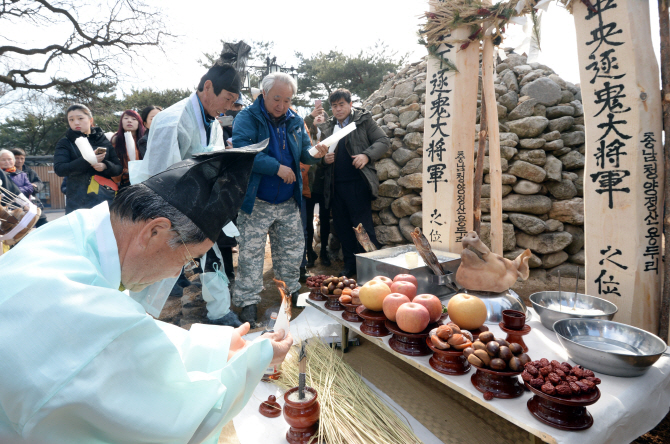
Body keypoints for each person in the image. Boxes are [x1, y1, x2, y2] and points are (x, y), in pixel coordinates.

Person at [0, 148, 293, 444]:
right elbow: (172, 420)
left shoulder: (76, 231)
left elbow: (130, 340)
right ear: (155, 231)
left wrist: (215, 347)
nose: (178, 272)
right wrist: (254, 360)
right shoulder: (78, 311)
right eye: (188, 259)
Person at [130, 61, 245, 326]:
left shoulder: (213, 122)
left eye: (233, 101)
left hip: (197, 202)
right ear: (208, 87)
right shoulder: (173, 120)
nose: (228, 107)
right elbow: (160, 174)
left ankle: (219, 312)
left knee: (210, 254)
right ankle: (133, 318)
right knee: (159, 263)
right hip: (166, 204)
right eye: (227, 98)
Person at [232, 72, 328, 327]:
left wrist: (316, 153)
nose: (282, 105)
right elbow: (243, 152)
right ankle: (248, 303)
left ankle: (291, 293)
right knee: (250, 256)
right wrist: (275, 168)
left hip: (287, 201)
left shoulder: (295, 120)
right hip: (257, 200)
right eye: (277, 98)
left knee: (291, 252)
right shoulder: (247, 117)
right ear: (263, 94)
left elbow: (305, 153)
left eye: (287, 100)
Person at [311, 88, 390, 277]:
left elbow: (383, 141)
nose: (338, 109)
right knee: (342, 227)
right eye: (335, 106)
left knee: (363, 228)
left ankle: (370, 267)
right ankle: (349, 265)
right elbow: (318, 154)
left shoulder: (363, 121)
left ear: (350, 104)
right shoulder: (328, 127)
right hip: (334, 186)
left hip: (357, 183)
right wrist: (324, 160)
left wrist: (366, 155)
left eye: (342, 105)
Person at [53, 104, 122, 214]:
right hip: (78, 199)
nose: (76, 122)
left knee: (106, 229)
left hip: (104, 197)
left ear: (90, 120)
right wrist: (88, 160)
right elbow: (60, 169)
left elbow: (118, 168)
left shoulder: (102, 140)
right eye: (71, 120)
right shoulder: (65, 143)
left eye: (80, 118)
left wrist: (105, 166)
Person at [304, 108, 332, 267]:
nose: (319, 117)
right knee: (307, 222)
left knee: (325, 220)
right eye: (317, 116)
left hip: (324, 185)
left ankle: (324, 252)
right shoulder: (307, 136)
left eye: (323, 116)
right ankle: (309, 254)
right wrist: (310, 118)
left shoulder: (329, 137)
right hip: (308, 185)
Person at [10, 148, 48, 228]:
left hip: (32, 202)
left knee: (43, 223)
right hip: (15, 205)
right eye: (17, 158)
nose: (19, 161)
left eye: (22, 158)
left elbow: (39, 183)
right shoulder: (7, 172)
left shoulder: (29, 171)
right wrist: (28, 187)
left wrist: (34, 187)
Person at [111, 109, 146, 189]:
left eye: (134, 119)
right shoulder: (115, 141)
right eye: (126, 118)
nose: (129, 121)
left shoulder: (145, 140)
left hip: (144, 181)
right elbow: (113, 162)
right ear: (121, 122)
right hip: (123, 183)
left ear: (139, 123)